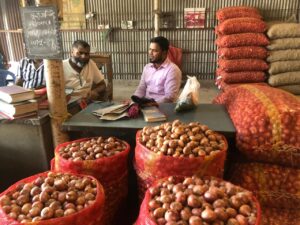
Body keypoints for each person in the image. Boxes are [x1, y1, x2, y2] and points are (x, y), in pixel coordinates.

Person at [133, 36, 182, 103]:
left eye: (155, 51)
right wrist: (134, 100)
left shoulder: (173, 70)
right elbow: (142, 87)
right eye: (150, 49)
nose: (150, 53)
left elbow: (170, 97)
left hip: (162, 107)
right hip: (146, 105)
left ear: (164, 53)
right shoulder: (147, 67)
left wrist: (150, 104)